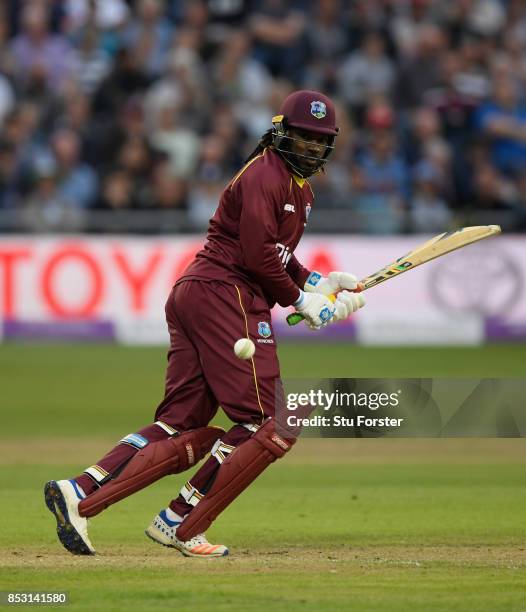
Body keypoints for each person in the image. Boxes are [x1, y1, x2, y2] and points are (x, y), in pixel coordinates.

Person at [44, 90, 366, 558]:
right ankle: (180, 520)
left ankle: (79, 493)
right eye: (303, 137)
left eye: (320, 141)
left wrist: (318, 281)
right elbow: (255, 254)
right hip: (225, 294)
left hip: (203, 292)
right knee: (268, 422)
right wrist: (302, 301)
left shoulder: (301, 189)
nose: (311, 148)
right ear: (281, 133)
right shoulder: (264, 175)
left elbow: (276, 253)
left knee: (180, 424)